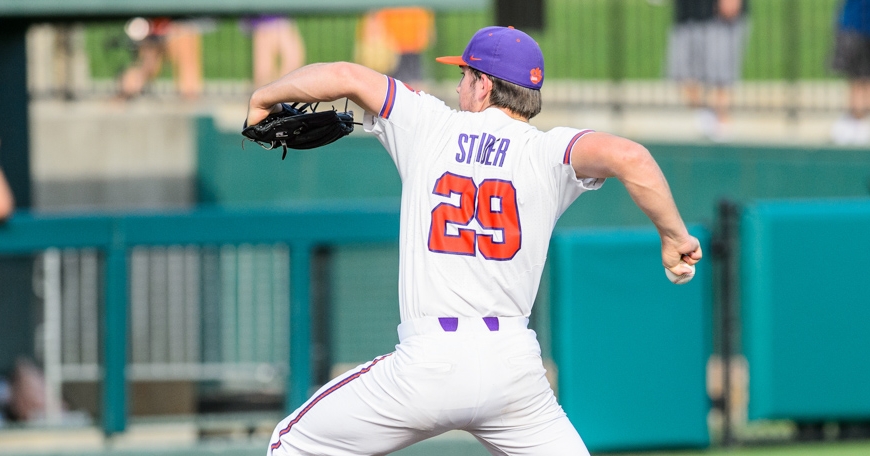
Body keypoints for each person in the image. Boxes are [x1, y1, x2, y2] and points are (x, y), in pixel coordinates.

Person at [247, 26, 702, 455]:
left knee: (293, 442)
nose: (459, 83)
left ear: (484, 86)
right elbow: (631, 157)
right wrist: (673, 236)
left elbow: (344, 76)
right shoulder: (547, 151)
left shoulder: (429, 125)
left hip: (429, 363)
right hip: (514, 370)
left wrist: (263, 95)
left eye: (464, 74)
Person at [665, 0, 748, 141]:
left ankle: (723, 127)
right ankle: (706, 120)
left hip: (716, 15)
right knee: (683, 75)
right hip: (685, 15)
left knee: (720, 77)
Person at [830, 0, 870, 145]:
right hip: (855, 25)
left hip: (857, 27)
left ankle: (858, 118)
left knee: (860, 79)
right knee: (858, 78)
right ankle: (856, 118)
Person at [241, 15, 306, 88]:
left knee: (293, 63)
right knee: (265, 75)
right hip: (265, 22)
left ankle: (281, 95)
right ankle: (274, 95)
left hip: (280, 19)